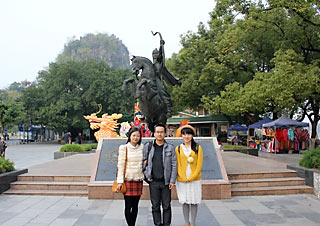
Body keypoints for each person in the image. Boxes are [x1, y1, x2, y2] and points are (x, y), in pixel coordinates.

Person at [143, 124, 177, 226]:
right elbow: (143, 162)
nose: (159, 134)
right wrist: (147, 175)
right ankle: (157, 224)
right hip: (153, 182)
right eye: (157, 132)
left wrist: (172, 181)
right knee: (155, 206)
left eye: (161, 132)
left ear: (165, 133)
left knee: (166, 206)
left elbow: (174, 165)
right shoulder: (148, 147)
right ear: (154, 133)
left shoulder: (170, 148)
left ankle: (166, 224)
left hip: (166, 182)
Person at [175, 125, 203, 226]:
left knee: (194, 201)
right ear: (182, 136)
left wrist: (191, 178)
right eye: (184, 134)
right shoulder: (178, 148)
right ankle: (187, 223)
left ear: (192, 135)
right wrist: (182, 177)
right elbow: (177, 164)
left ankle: (193, 223)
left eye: (189, 134)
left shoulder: (198, 148)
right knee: (185, 201)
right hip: (182, 179)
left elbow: (199, 165)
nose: (187, 136)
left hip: (195, 179)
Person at [116, 127, 144, 226]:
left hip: (138, 180)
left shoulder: (142, 147)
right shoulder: (124, 148)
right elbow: (120, 165)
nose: (136, 138)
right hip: (127, 180)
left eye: (138, 136)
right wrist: (120, 181)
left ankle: (133, 224)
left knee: (136, 206)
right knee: (128, 206)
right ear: (129, 136)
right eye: (134, 135)